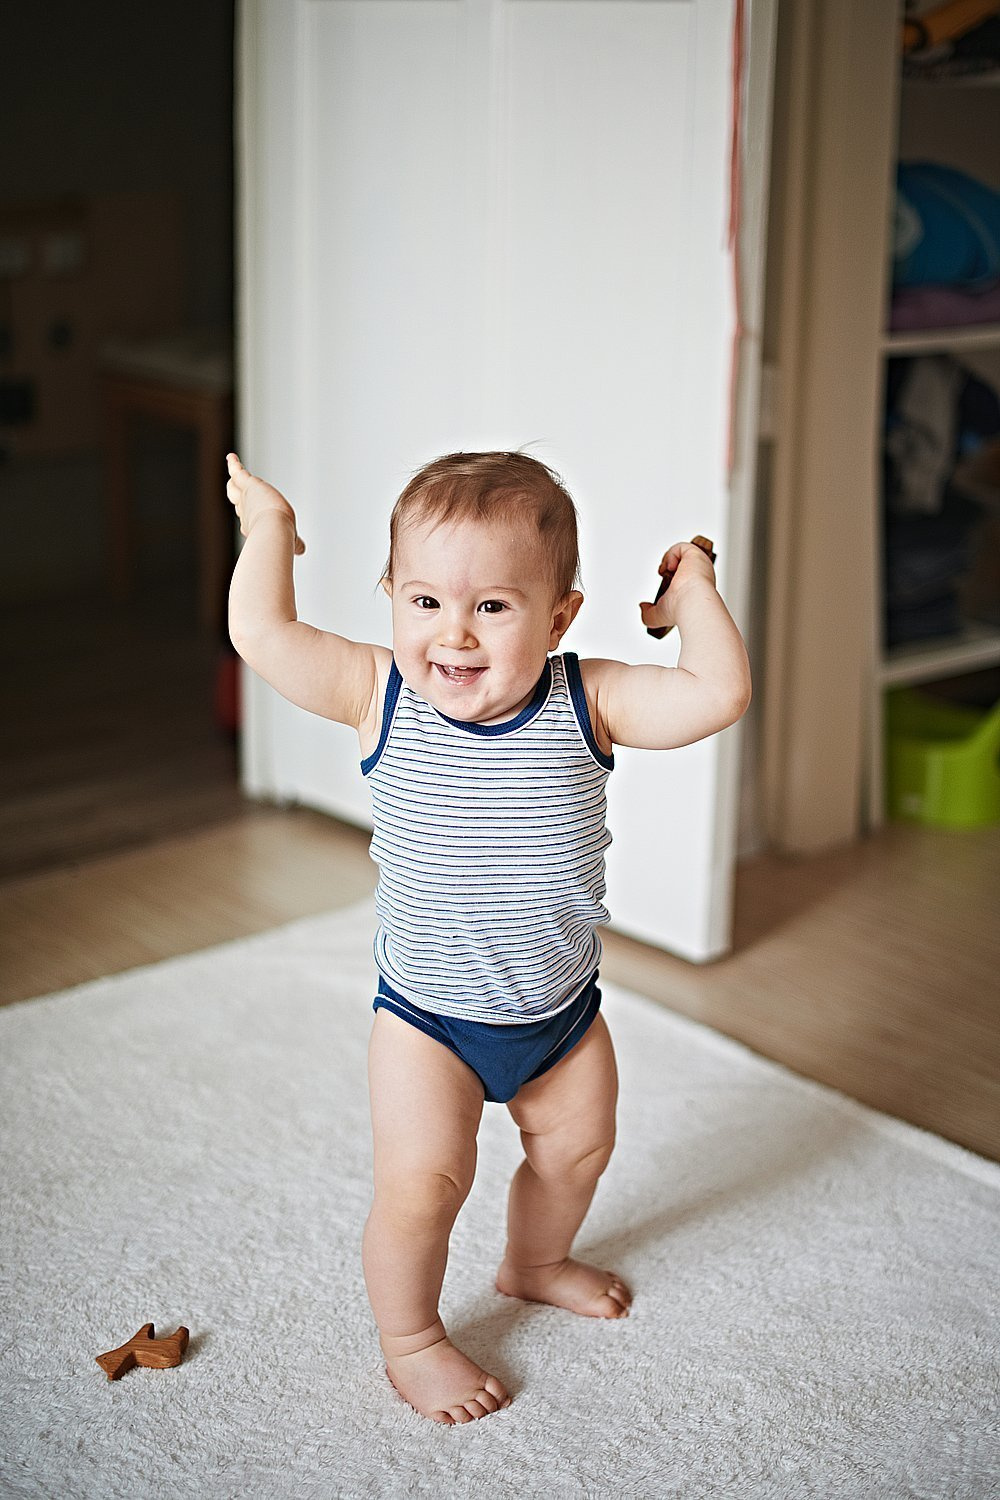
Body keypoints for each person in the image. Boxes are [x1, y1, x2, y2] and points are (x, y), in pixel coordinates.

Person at [225, 448, 752, 1426]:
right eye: (423, 602)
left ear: (557, 617)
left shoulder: (586, 697)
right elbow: (260, 629)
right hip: (427, 1021)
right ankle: (412, 1336)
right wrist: (270, 533)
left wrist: (698, 597)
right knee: (423, 1186)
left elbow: (716, 696)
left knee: (578, 1154)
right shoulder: (375, 691)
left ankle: (534, 1261)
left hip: (558, 1015)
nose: (453, 634)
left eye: (493, 608)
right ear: (390, 599)